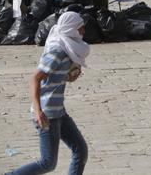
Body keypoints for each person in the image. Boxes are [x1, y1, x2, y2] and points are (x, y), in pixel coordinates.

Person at [6, 12, 90, 175]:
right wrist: (38, 111)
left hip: (59, 111)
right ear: (71, 29)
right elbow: (35, 79)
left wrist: (69, 77)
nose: (83, 32)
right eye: (81, 28)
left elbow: (54, 78)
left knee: (80, 150)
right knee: (48, 163)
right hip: (47, 114)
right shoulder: (57, 50)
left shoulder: (68, 48)